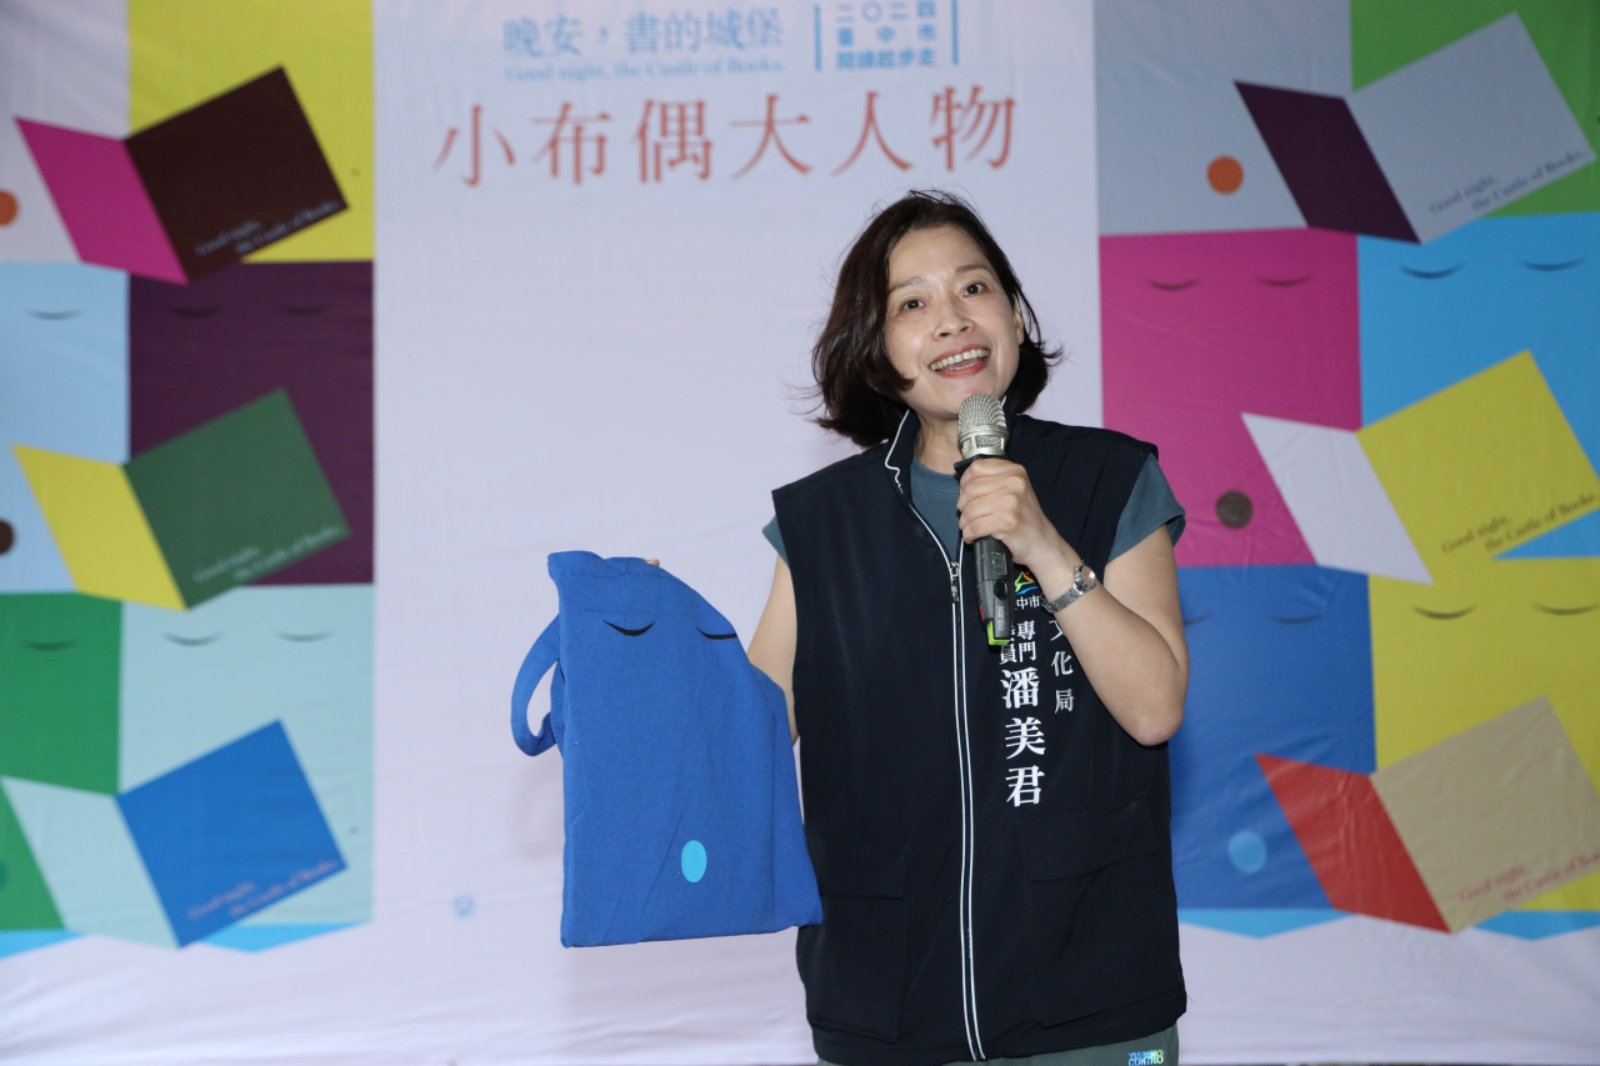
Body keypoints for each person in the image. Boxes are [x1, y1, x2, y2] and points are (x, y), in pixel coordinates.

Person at [746, 191, 1190, 1066]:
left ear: (1016, 316)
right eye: (912, 304)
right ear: (877, 352)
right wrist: (646, 661)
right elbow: (750, 733)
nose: (952, 319)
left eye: (974, 288)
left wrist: (1045, 547)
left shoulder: (1109, 478)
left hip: (1090, 996)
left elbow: (1154, 710)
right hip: (887, 1001)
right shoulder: (823, 523)